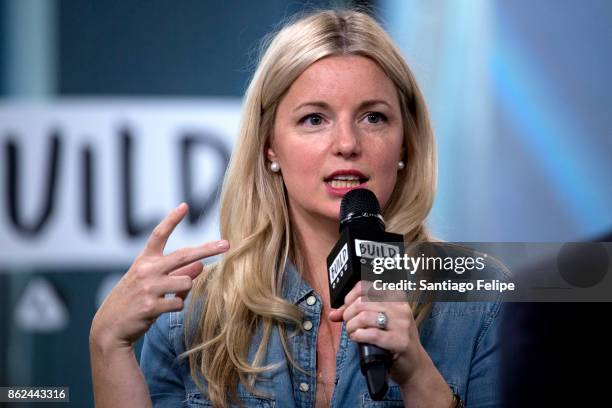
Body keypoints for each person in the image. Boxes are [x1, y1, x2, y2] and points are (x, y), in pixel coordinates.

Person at [90, 9, 507, 407]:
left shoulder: (478, 299)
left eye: (373, 118)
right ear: (270, 145)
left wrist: (418, 378)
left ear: (406, 143)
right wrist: (106, 344)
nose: (347, 143)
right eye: (314, 119)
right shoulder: (193, 317)